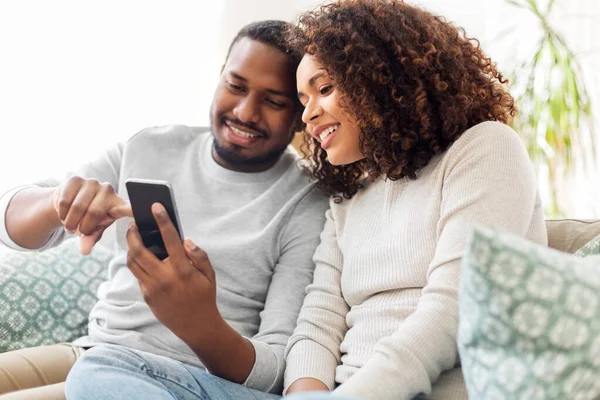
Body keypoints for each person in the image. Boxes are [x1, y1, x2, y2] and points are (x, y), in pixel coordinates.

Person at [0, 20, 329, 400]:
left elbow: (277, 373)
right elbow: (9, 225)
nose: (245, 112)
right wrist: (58, 202)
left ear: (301, 113)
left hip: (189, 380)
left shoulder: (306, 202)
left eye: (273, 101)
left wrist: (198, 324)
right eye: (235, 86)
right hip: (93, 351)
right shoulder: (151, 147)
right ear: (220, 77)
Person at [281, 0, 547, 399]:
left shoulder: (485, 149)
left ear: (379, 77)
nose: (308, 115)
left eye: (324, 89)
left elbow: (452, 311)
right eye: (304, 100)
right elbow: (319, 322)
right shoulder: (349, 198)